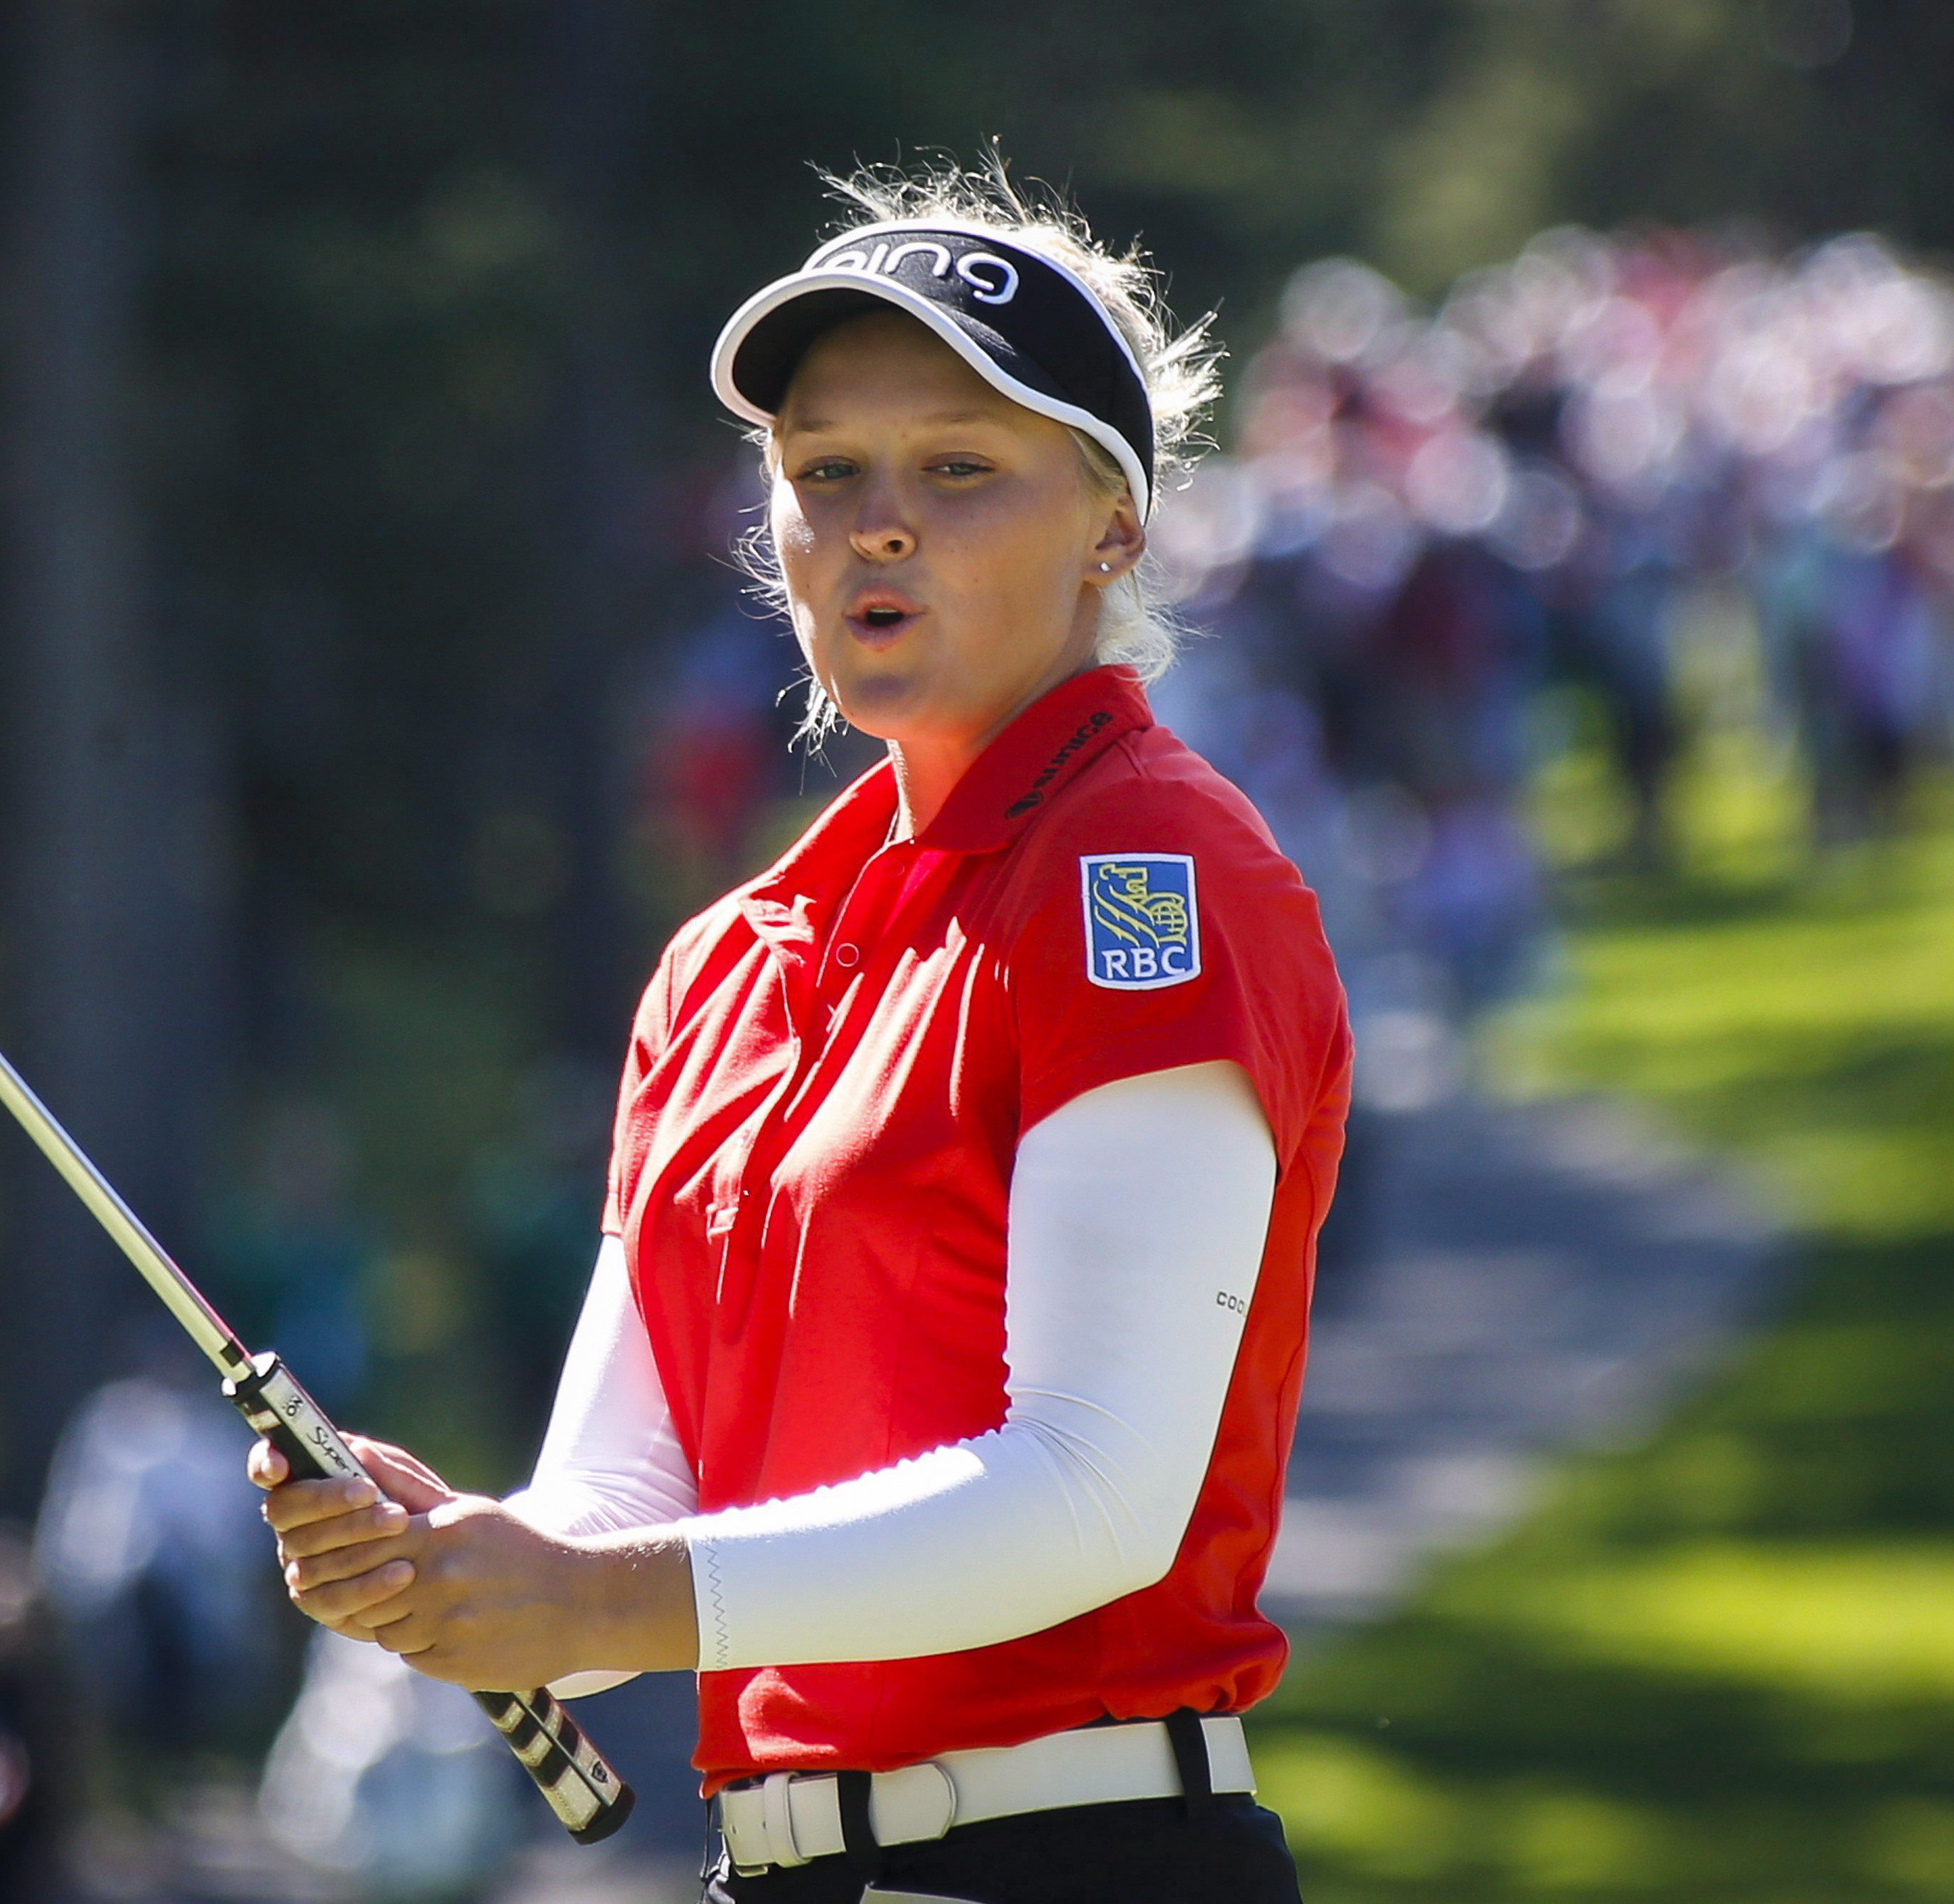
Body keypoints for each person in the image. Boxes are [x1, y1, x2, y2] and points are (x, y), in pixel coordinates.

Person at [254, 159, 1350, 1903]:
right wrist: (469, 1566)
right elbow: (621, 1514)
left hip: (1077, 1859)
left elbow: (1093, 1490)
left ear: (1114, 527)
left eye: (958, 466)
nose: (876, 522)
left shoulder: (1145, 866)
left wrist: (600, 1597)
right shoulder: (718, 965)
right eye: (823, 470)